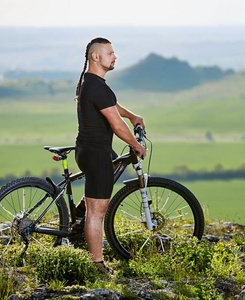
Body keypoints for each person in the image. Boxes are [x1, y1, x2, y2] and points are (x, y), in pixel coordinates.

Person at [74, 37, 146, 274]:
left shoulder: (93, 82)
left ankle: (82, 207)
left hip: (89, 151)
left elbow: (111, 106)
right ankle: (97, 265)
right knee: (98, 213)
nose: (115, 57)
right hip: (96, 154)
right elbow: (116, 125)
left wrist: (132, 115)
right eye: (110, 53)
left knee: (116, 165)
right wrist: (136, 145)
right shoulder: (97, 86)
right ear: (96, 57)